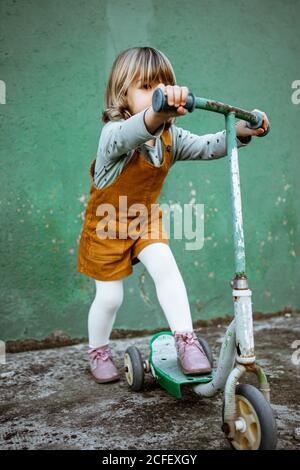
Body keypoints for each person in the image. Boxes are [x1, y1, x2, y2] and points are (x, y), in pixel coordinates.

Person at [77, 46, 269, 384]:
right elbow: (134, 131)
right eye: (149, 87)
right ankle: (98, 350)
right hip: (106, 224)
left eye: (165, 85)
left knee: (166, 266)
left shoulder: (171, 137)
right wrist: (156, 111)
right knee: (110, 297)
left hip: (145, 220)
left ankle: (185, 339)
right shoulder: (113, 135)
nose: (160, 93)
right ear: (123, 94)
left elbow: (208, 146)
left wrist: (239, 133)